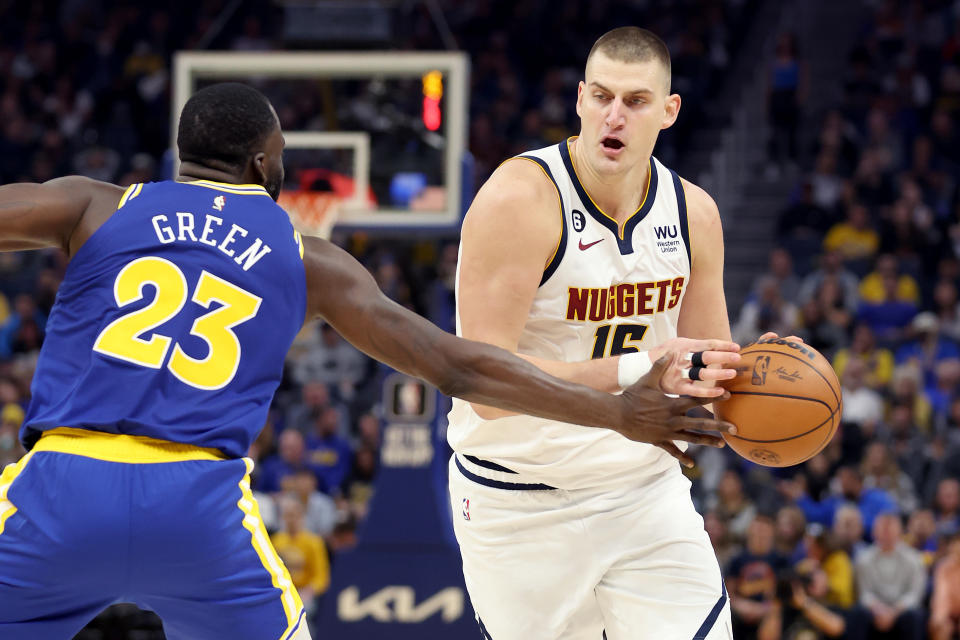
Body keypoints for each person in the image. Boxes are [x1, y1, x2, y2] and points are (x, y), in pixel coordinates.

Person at [0, 82, 741, 639]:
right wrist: (616, 411)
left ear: (180, 156)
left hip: (59, 489)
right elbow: (461, 369)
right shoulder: (306, 257)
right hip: (194, 507)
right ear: (265, 163)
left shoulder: (95, 206)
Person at [447, 27, 744, 639]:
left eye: (635, 102)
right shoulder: (521, 199)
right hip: (518, 499)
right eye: (601, 96)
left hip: (642, 490)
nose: (614, 116)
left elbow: (704, 374)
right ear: (579, 99)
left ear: (669, 111)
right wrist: (636, 370)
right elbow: (486, 387)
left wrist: (763, 379)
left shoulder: (694, 213)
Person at [855, 513, 925, 640]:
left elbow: (914, 595)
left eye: (890, 530)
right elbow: (865, 594)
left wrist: (894, 612)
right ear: (874, 532)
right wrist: (878, 609)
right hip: (875, 611)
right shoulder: (863, 559)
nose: (886, 534)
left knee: (914, 616)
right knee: (859, 614)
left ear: (899, 532)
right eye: (882, 529)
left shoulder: (914, 558)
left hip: (902, 610)